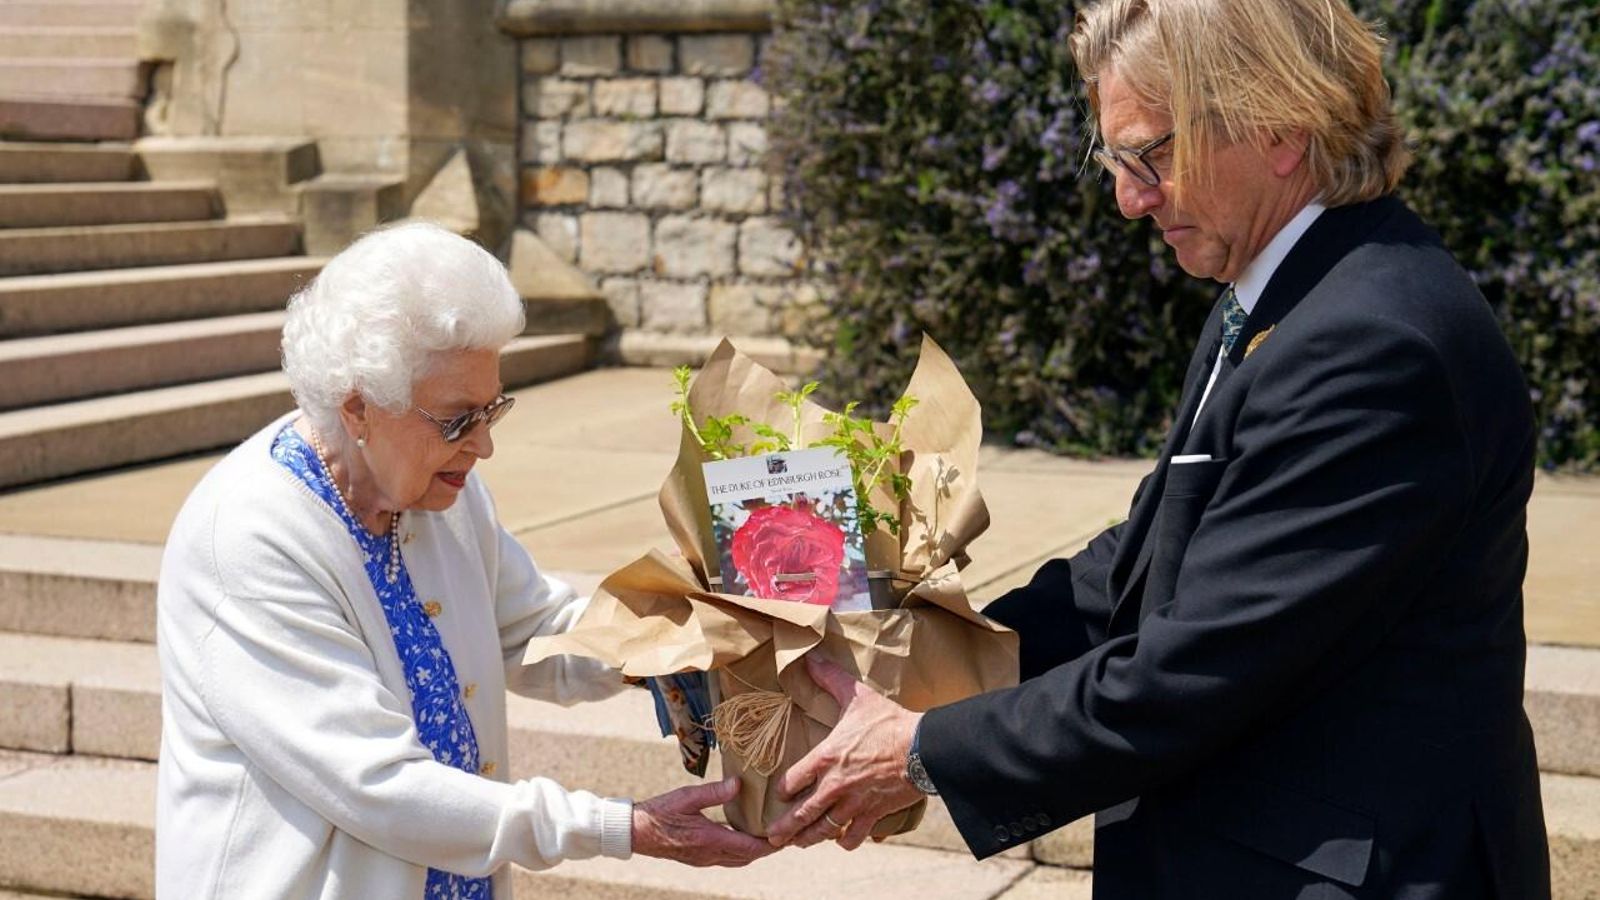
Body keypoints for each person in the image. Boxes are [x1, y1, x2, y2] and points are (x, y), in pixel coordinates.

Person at [764, 1, 1551, 896]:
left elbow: (1193, 666)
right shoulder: (1285, 292)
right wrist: (921, 653)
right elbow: (1142, 568)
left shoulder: (1370, 342)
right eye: (1116, 160)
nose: (1129, 198)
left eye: (1151, 155)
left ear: (1280, 126)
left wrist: (921, 749)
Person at [155, 222, 772, 899]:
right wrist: (617, 827)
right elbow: (380, 786)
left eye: (493, 410)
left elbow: (536, 628)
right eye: (457, 420)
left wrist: (685, 630)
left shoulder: (433, 490)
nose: (483, 449)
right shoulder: (249, 539)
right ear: (359, 407)